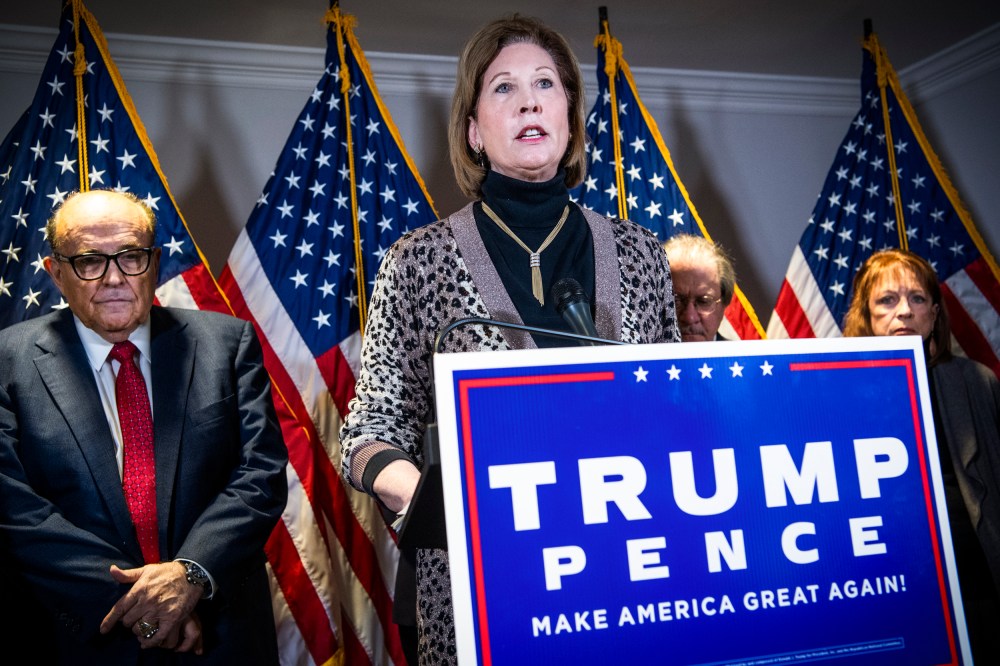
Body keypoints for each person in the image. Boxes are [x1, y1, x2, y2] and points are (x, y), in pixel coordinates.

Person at [340, 14, 679, 665]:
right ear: (472, 129)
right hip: (484, 584)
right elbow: (369, 432)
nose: (528, 100)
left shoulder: (639, 255)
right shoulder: (416, 259)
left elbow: (669, 407)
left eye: (546, 84)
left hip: (631, 567)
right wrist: (439, 506)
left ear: (570, 116)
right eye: (503, 87)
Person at [0, 189, 288, 664]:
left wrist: (188, 577)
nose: (114, 278)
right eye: (89, 261)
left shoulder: (227, 342)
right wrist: (147, 608)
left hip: (220, 635)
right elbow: (16, 510)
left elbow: (260, 476)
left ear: (154, 262)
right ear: (55, 274)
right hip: (80, 637)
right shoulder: (8, 363)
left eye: (131, 257)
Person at [843, 248, 1000, 662]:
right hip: (899, 595)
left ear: (933, 311)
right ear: (867, 315)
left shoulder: (978, 383)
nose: (905, 312)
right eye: (887, 300)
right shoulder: (840, 397)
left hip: (983, 584)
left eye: (916, 298)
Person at [662, 233, 736, 341]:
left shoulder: (746, 357)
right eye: (676, 300)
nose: (689, 318)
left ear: (724, 304)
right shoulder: (633, 356)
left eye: (704, 301)